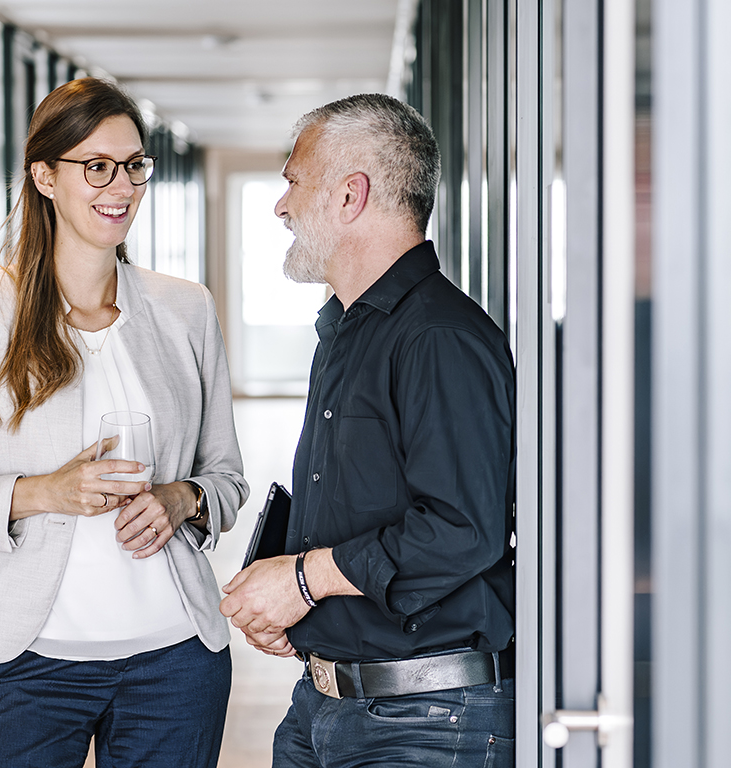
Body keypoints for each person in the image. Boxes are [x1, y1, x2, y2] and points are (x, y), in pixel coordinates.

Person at [0, 77, 249, 768]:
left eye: (135, 165)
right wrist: (42, 492)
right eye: (97, 167)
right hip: (24, 665)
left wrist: (183, 499)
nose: (123, 187)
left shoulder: (187, 310)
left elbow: (227, 477)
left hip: (175, 664)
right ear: (45, 176)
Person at [219, 93, 516, 767]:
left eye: (294, 182)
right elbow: (360, 501)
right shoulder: (345, 331)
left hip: (425, 726)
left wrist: (302, 579)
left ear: (351, 195)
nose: (281, 205)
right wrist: (297, 603)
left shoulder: (439, 338)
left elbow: (460, 529)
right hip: (323, 704)